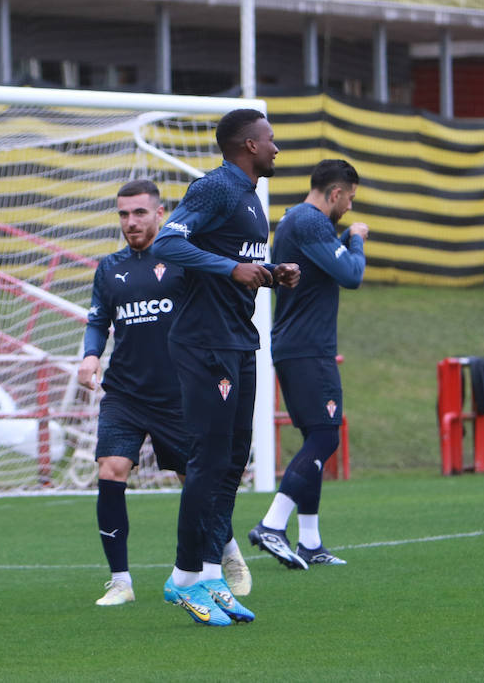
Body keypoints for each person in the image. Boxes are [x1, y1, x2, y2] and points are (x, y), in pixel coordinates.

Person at [151, 108, 300, 627]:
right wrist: (232, 267)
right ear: (249, 145)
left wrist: (270, 273)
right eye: (271, 139)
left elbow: (236, 262)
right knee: (208, 463)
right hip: (203, 343)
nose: (277, 148)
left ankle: (212, 573)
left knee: (234, 461)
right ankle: (183, 577)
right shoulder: (216, 187)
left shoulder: (251, 200)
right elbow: (167, 242)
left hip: (239, 340)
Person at [77, 179, 252, 607]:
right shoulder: (110, 268)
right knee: (112, 468)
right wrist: (90, 355)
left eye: (139, 213)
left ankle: (225, 552)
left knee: (194, 481)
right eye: (123, 214)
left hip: (180, 393)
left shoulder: (183, 261)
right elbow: (99, 319)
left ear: (160, 214)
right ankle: (120, 581)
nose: (130, 222)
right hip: (125, 394)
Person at [250, 159, 367, 570]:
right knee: (325, 437)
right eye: (349, 198)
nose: (350, 207)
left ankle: (311, 543)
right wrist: (355, 239)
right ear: (335, 193)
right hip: (307, 349)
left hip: (298, 346)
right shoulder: (311, 221)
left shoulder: (297, 222)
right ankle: (272, 523)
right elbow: (352, 275)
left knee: (316, 438)